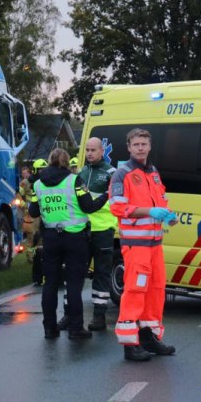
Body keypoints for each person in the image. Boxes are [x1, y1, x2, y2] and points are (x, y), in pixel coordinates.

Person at [109, 128, 177, 361]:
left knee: (156, 291)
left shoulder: (153, 172)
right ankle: (130, 345)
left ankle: (148, 338)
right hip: (136, 245)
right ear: (128, 147)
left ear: (149, 147)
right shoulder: (122, 174)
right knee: (135, 292)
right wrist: (151, 211)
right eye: (136, 144)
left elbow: (161, 200)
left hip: (155, 244)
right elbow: (118, 207)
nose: (140, 148)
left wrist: (168, 214)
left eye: (144, 144)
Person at [29, 148, 108, 340]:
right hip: (75, 238)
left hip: (51, 239)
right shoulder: (74, 180)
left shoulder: (38, 184)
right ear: (66, 162)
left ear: (49, 161)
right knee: (73, 284)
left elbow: (32, 212)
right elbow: (89, 206)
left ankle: (49, 329)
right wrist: (106, 195)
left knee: (50, 284)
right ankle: (75, 329)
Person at [77, 137, 117, 331]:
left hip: (103, 231)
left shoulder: (112, 173)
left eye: (93, 150)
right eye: (87, 150)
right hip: (83, 230)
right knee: (76, 272)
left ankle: (99, 317)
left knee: (101, 274)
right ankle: (71, 316)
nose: (90, 153)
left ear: (102, 151)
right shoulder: (82, 172)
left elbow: (118, 201)